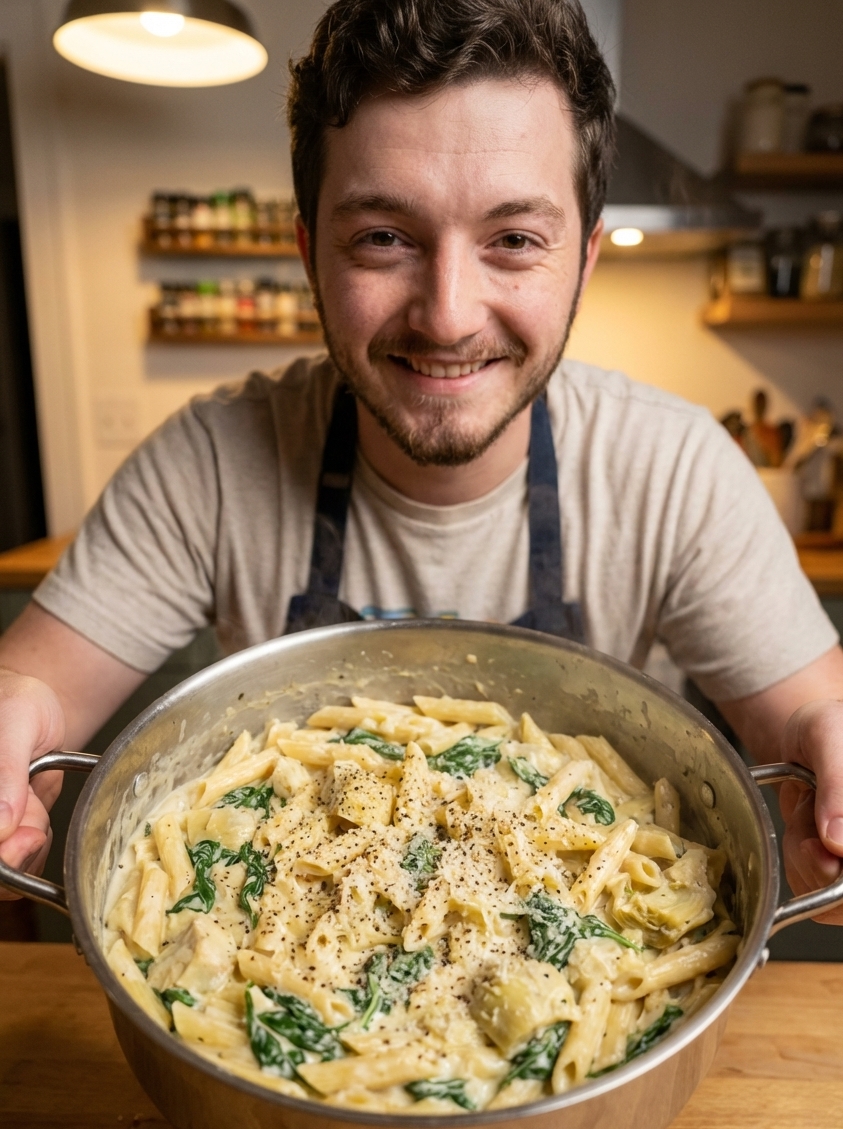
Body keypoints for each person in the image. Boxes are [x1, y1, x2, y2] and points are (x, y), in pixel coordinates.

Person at [1, 0, 842, 924]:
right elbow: (29, 692)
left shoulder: (677, 471)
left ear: (584, 264)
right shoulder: (206, 461)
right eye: (383, 239)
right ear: (309, 252)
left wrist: (826, 774)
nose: (447, 315)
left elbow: (813, 722)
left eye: (513, 241)